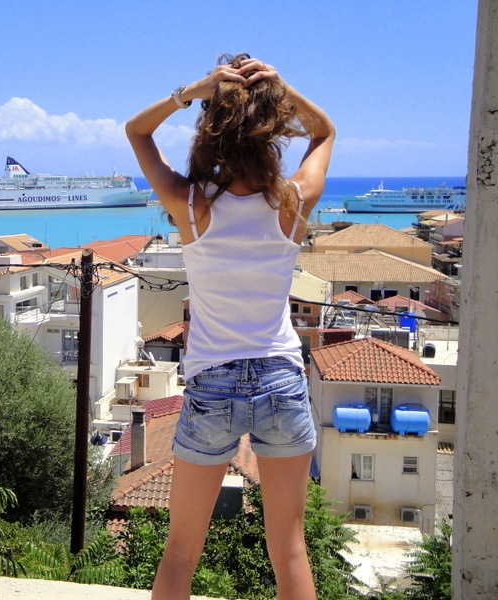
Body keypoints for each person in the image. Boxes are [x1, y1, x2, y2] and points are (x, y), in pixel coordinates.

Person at [125, 53, 335, 600]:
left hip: (212, 387)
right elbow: (324, 132)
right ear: (271, 133)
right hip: (281, 380)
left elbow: (137, 131)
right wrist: (280, 89)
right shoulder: (291, 201)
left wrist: (192, 90)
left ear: (209, 134)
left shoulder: (190, 204)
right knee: (289, 549)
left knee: (180, 551)